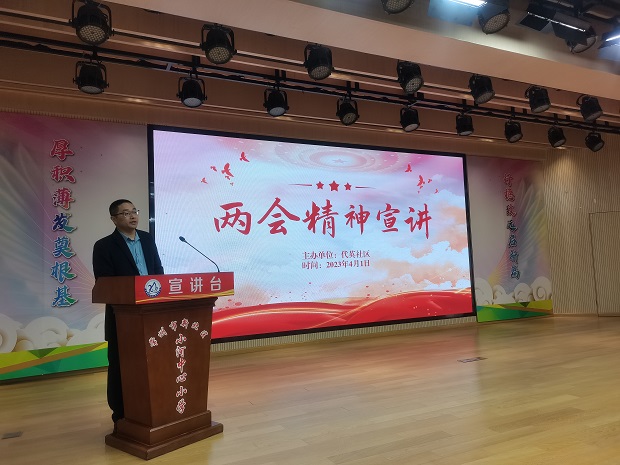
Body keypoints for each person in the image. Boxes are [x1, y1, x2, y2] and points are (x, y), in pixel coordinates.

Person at [92, 199, 164, 428]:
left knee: (153, 363)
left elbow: (158, 271)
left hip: (151, 314)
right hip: (122, 318)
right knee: (121, 366)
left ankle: (154, 409)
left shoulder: (148, 239)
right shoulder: (104, 246)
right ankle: (121, 414)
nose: (132, 216)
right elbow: (105, 283)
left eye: (134, 211)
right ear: (114, 219)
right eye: (125, 213)